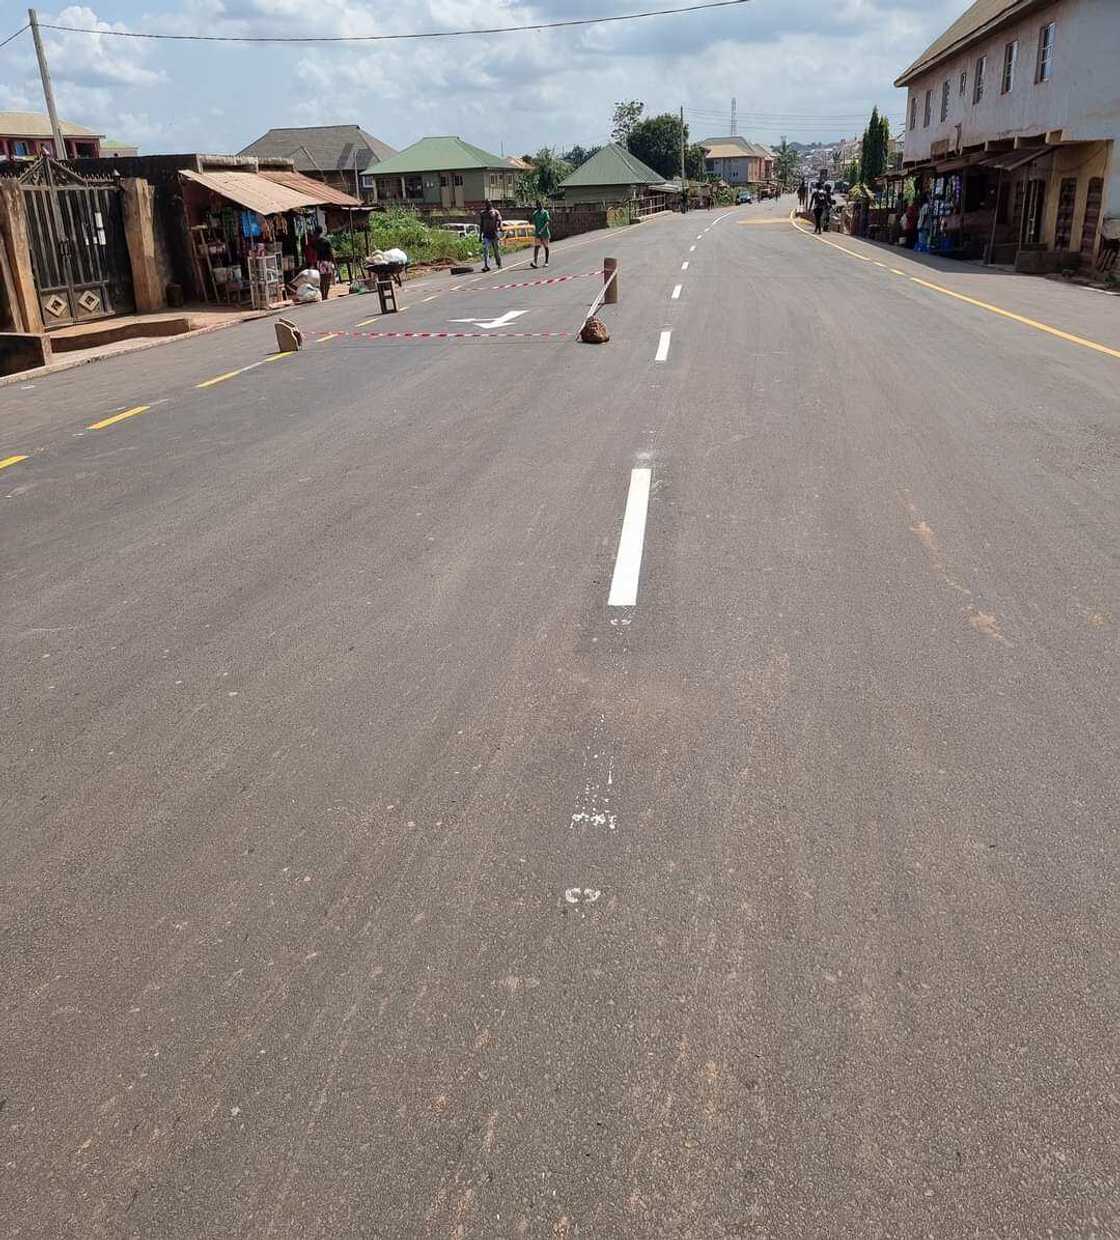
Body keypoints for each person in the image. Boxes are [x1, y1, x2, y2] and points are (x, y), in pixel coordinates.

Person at [479, 200, 503, 271]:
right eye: (486, 204)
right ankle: (486, 266)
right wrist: (480, 235)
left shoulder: (495, 212)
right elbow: (481, 225)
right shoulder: (483, 213)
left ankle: (499, 263)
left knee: (496, 250)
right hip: (486, 235)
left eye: (488, 203)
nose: (487, 205)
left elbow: (499, 220)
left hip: (494, 234)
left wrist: (500, 227)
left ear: (491, 204)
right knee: (485, 250)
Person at [313, 227, 335, 301]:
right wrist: (334, 262)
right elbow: (331, 253)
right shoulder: (326, 241)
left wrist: (315, 263)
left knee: (322, 280)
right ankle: (326, 295)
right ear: (322, 232)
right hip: (327, 261)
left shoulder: (316, 242)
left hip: (320, 262)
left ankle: (323, 296)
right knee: (328, 279)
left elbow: (315, 254)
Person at [530, 200, 551, 268]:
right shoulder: (535, 213)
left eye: (540, 204)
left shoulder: (545, 212)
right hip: (537, 234)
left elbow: (547, 222)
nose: (538, 206)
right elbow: (532, 221)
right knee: (536, 247)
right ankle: (535, 262)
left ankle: (546, 262)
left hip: (545, 233)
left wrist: (542, 230)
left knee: (546, 247)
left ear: (542, 205)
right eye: (537, 205)